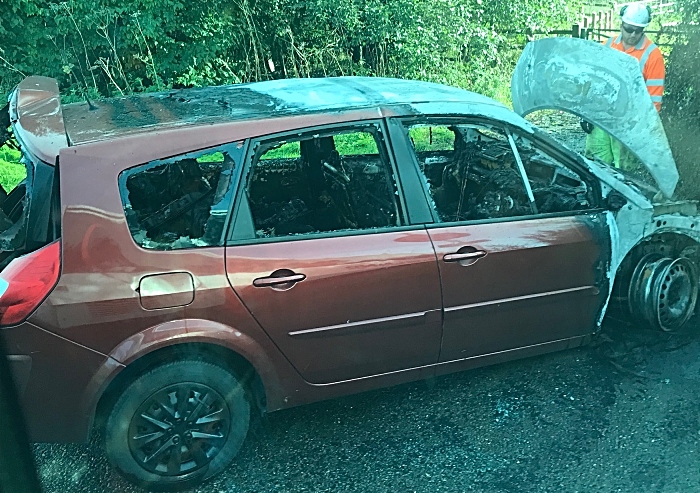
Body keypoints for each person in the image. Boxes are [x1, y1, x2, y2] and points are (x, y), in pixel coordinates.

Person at [583, 2, 665, 170]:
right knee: (594, 165)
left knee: (625, 172)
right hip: (601, 117)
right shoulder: (607, 45)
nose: (633, 35)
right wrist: (585, 113)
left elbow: (654, 100)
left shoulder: (653, 55)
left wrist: (642, 129)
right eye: (629, 29)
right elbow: (593, 81)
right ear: (621, 25)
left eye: (638, 30)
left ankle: (622, 197)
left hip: (628, 123)